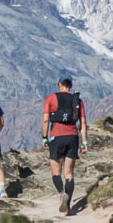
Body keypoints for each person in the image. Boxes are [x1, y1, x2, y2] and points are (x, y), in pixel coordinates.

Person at [43, 75, 88, 215]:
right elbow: (83, 123)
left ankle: (62, 194)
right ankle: (67, 208)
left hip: (57, 137)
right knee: (69, 173)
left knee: (56, 171)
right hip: (72, 137)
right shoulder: (77, 101)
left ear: (59, 84)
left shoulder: (51, 98)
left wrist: (44, 138)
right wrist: (84, 142)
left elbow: (45, 121)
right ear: (71, 86)